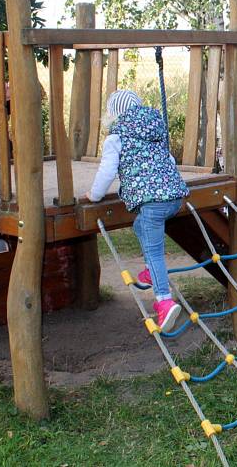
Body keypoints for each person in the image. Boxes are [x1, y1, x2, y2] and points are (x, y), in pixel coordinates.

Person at [86, 90, 190, 333]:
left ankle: (164, 301)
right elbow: (169, 161)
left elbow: (108, 170)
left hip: (151, 201)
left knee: (155, 252)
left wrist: (95, 195)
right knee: (138, 225)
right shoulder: (155, 130)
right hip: (175, 197)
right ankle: (151, 273)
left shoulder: (116, 137)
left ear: (114, 115)